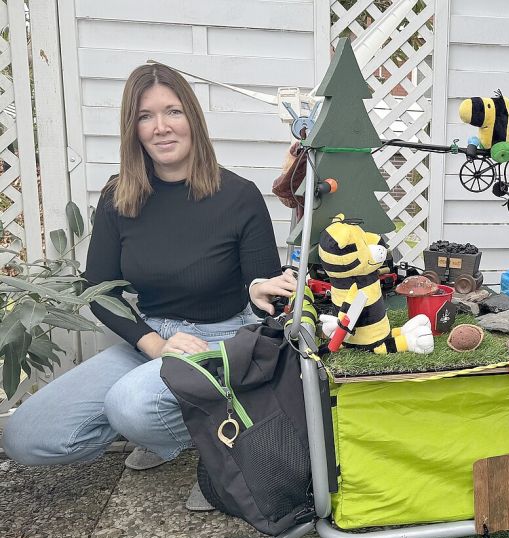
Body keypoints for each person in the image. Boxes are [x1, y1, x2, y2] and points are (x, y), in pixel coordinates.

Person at [2, 63, 295, 510]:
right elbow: (99, 288)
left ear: (192, 118)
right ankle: (172, 430)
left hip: (225, 339)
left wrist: (259, 295)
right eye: (145, 116)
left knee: (132, 406)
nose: (161, 127)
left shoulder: (238, 195)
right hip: (154, 337)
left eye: (173, 111)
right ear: (132, 129)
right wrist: (154, 344)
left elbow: (263, 290)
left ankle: (219, 453)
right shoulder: (119, 197)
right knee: (25, 437)